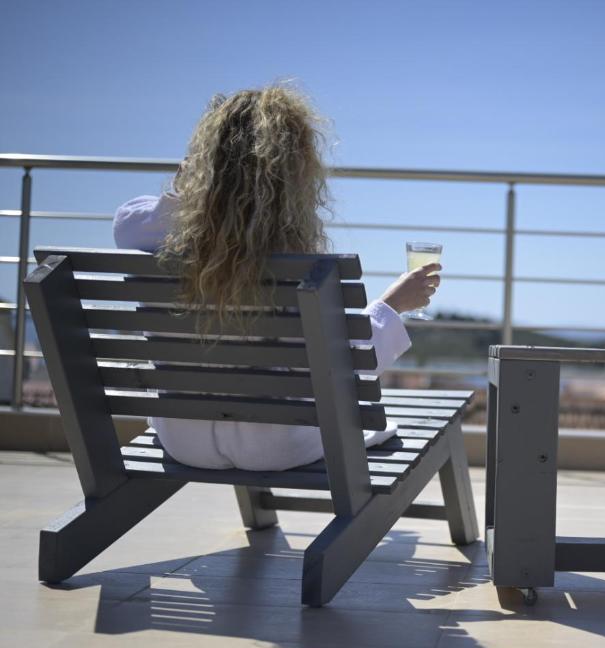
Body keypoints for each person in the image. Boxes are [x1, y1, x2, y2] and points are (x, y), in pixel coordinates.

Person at [112, 86, 440, 471]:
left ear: (205, 162)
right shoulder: (295, 262)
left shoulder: (146, 236)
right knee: (372, 421)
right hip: (276, 445)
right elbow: (338, 366)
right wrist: (391, 306)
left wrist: (191, 189)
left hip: (182, 438)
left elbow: (132, 217)